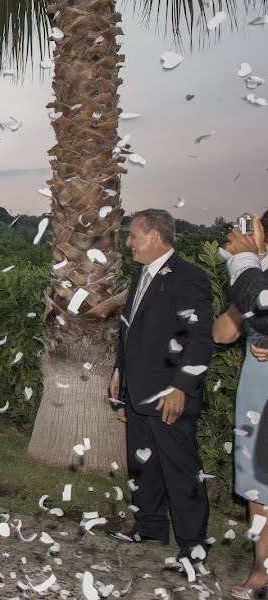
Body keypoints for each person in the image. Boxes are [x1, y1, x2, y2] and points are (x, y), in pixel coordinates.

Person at [107, 209, 214, 570]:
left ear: (155, 236)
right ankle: (150, 527)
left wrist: (181, 386)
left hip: (169, 394)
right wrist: (120, 370)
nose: (129, 241)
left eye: (133, 235)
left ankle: (193, 547)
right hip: (137, 390)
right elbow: (130, 329)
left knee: (181, 470)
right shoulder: (142, 275)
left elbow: (199, 339)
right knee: (143, 465)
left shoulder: (190, 278)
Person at [218, 211, 268, 600]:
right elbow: (222, 334)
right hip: (256, 392)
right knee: (257, 489)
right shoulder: (255, 285)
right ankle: (260, 570)